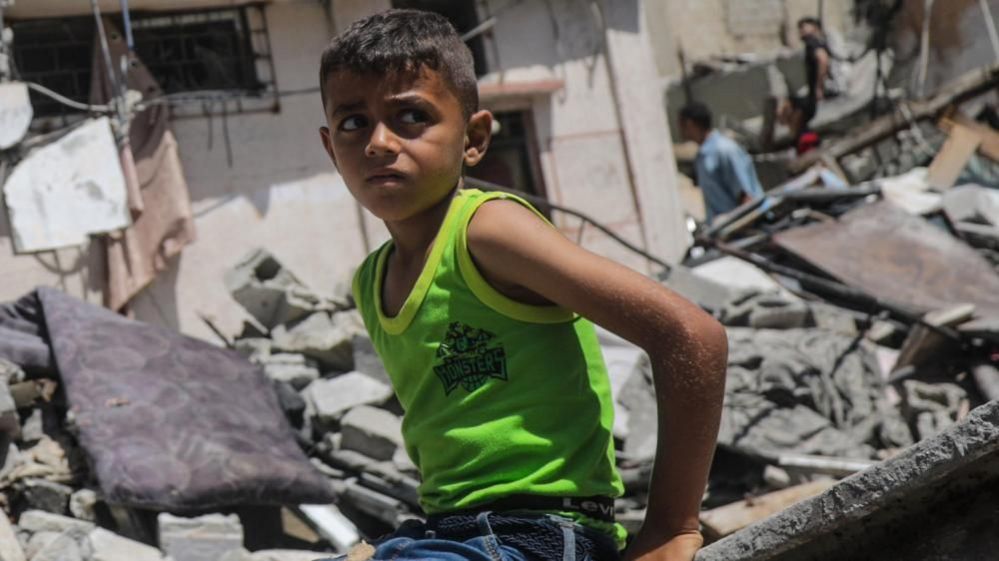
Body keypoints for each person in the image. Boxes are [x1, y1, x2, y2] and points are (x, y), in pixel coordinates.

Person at [316, 9, 728, 561]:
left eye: (410, 116)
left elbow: (691, 335)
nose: (378, 143)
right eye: (352, 123)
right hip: (445, 532)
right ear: (329, 148)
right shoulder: (371, 280)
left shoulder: (487, 231)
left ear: (474, 138)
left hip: (540, 533)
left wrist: (671, 526)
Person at [678, 102, 765, 222]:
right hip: (725, 231)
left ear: (690, 124)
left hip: (743, 228)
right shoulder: (701, 156)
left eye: (682, 125)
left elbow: (746, 197)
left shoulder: (723, 150)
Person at [798, 17, 836, 104]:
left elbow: (823, 60)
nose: (801, 30)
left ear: (813, 27)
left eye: (803, 27)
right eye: (800, 27)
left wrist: (819, 87)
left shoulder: (811, 42)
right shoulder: (819, 41)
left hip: (821, 89)